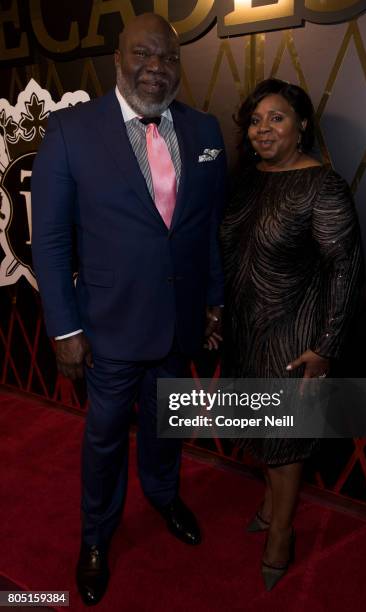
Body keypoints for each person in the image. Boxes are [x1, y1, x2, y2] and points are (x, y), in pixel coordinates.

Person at [31, 13, 226, 606]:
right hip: (108, 327)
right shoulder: (69, 131)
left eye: (167, 57)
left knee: (167, 428)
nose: (156, 67)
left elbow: (205, 230)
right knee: (106, 439)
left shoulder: (204, 129)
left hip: (178, 323)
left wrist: (214, 301)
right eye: (143, 54)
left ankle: (164, 495)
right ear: (118, 60)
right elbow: (52, 241)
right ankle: (96, 537)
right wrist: (64, 327)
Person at [220, 78, 364, 591]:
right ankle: (266, 504)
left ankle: (281, 532)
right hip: (243, 331)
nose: (263, 129)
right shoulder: (247, 180)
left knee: (283, 440)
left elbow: (345, 270)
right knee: (258, 433)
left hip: (292, 335)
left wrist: (325, 347)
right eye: (256, 120)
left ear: (302, 124)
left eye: (276, 118)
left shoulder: (322, 185)